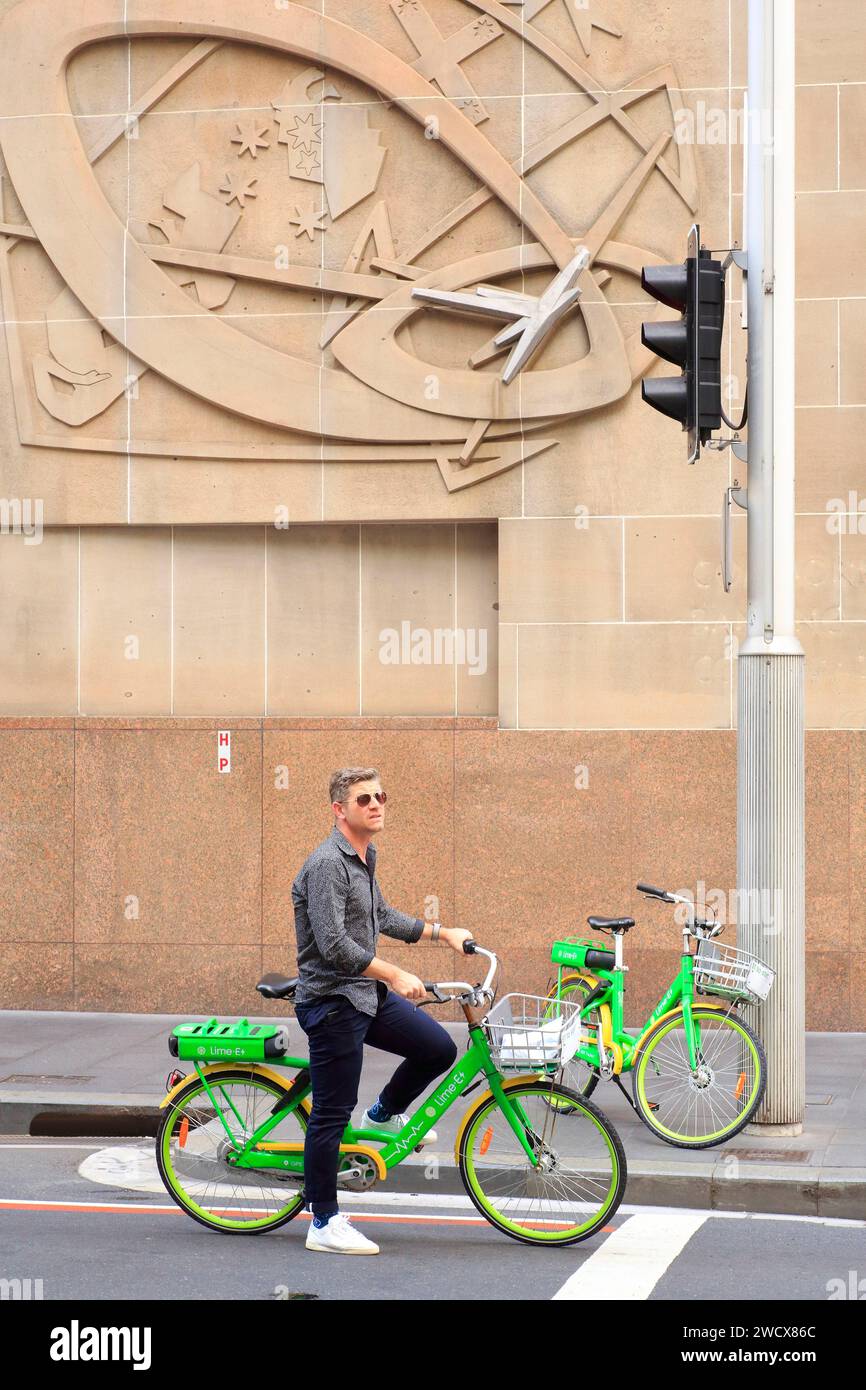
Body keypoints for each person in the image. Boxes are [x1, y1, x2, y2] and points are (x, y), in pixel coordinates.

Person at [291, 766, 472, 1256]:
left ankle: (383, 1113)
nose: (375, 804)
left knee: (437, 1048)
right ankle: (323, 1222)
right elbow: (332, 945)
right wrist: (393, 974)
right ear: (339, 810)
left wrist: (442, 932)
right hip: (333, 1001)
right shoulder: (328, 863)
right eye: (363, 799)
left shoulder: (364, 856)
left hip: (365, 995)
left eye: (380, 796)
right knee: (330, 1113)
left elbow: (383, 917)